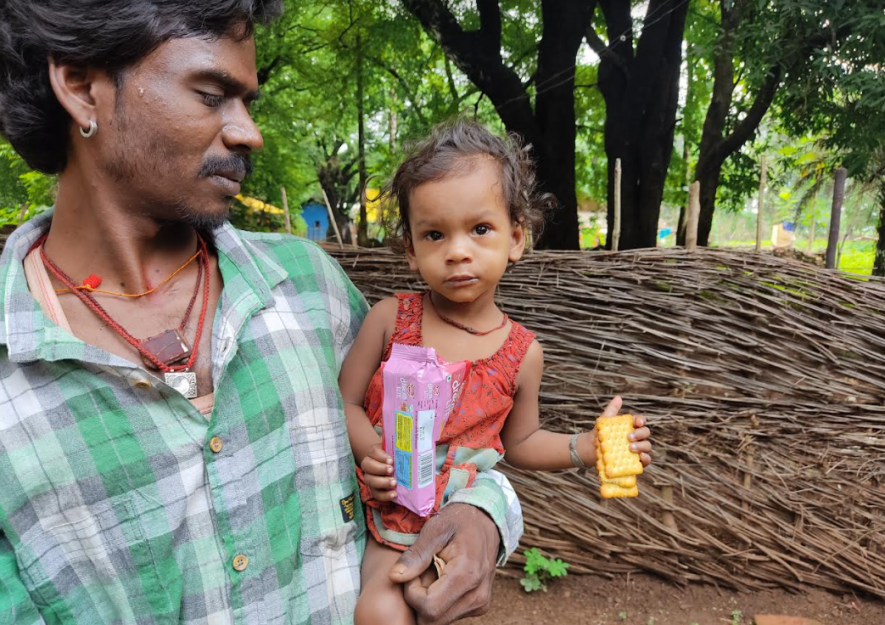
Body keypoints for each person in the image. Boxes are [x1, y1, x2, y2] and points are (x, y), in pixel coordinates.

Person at [0, 3, 524, 624]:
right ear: (83, 88)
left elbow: (440, 437)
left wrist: (484, 515)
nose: (249, 132)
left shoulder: (309, 290)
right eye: (211, 94)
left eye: (247, 101)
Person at [339, 120, 654, 625]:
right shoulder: (389, 320)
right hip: (390, 506)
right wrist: (369, 451)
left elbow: (522, 440)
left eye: (480, 229)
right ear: (412, 251)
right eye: (435, 234)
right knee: (379, 612)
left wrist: (584, 448)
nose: (458, 250)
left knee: (437, 611)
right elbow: (347, 402)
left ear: (516, 237)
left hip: (460, 517)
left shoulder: (523, 352)